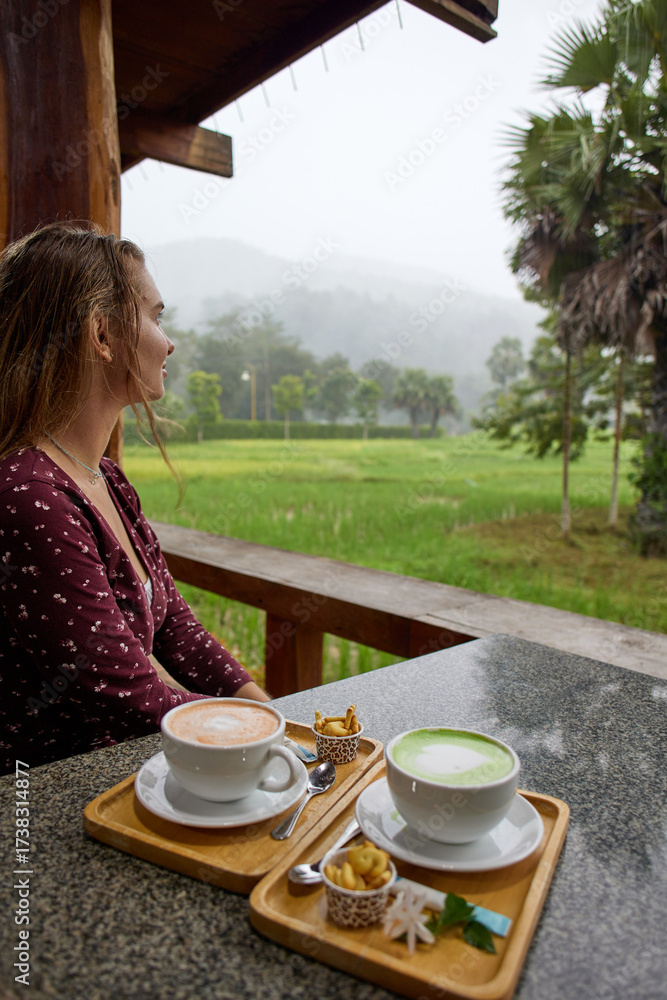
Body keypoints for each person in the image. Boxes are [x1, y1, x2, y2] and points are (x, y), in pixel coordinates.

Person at [0, 222, 269, 775]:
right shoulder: (30, 498)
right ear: (102, 334)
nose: (169, 342)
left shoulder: (107, 480)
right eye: (155, 316)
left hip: (116, 781)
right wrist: (268, 736)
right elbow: (128, 695)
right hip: (43, 801)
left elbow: (176, 629)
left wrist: (267, 710)